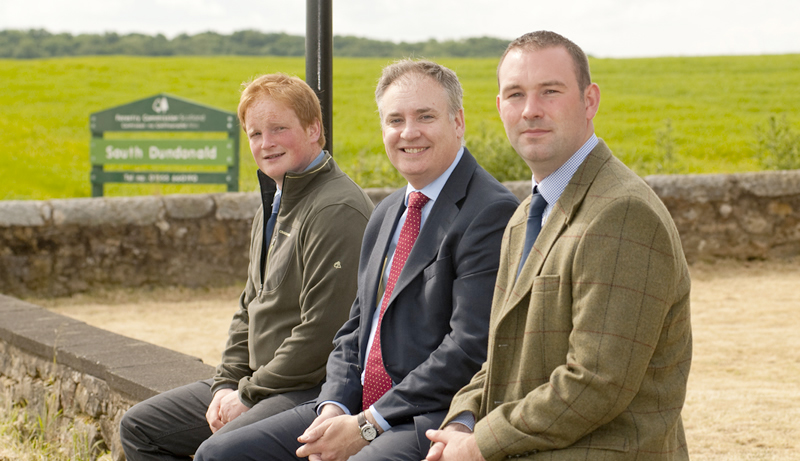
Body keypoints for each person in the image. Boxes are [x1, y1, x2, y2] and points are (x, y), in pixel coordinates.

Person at [192, 59, 520, 461]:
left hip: (423, 416)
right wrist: (334, 406)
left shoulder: (490, 211)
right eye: (395, 119)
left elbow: (468, 347)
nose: (408, 132)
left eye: (425, 117)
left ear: (458, 122)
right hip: (355, 403)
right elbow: (354, 329)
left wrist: (368, 423)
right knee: (220, 454)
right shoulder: (388, 212)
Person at [425, 30, 693, 461]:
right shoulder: (523, 217)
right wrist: (462, 420)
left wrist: (479, 445)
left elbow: (596, 381)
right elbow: (501, 356)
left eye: (550, 91)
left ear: (589, 101)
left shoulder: (622, 214)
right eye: (515, 94)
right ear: (499, 108)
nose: (531, 110)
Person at [119, 73, 374, 460]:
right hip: (260, 381)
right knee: (140, 427)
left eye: (278, 129)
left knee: (217, 453)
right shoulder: (274, 202)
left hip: (312, 388)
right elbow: (248, 310)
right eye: (255, 134)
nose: (266, 143)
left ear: (313, 129)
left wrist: (248, 394)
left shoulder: (336, 209)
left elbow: (323, 334)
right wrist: (225, 385)